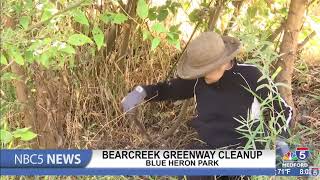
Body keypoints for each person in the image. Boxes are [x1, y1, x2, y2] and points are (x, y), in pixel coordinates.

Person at [121, 32, 292, 150]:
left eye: (206, 70)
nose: (201, 76)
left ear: (224, 62)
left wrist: (280, 140)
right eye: (198, 71)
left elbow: (283, 111)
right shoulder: (198, 80)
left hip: (246, 152)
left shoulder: (251, 76)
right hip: (207, 153)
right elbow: (168, 89)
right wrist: (140, 92)